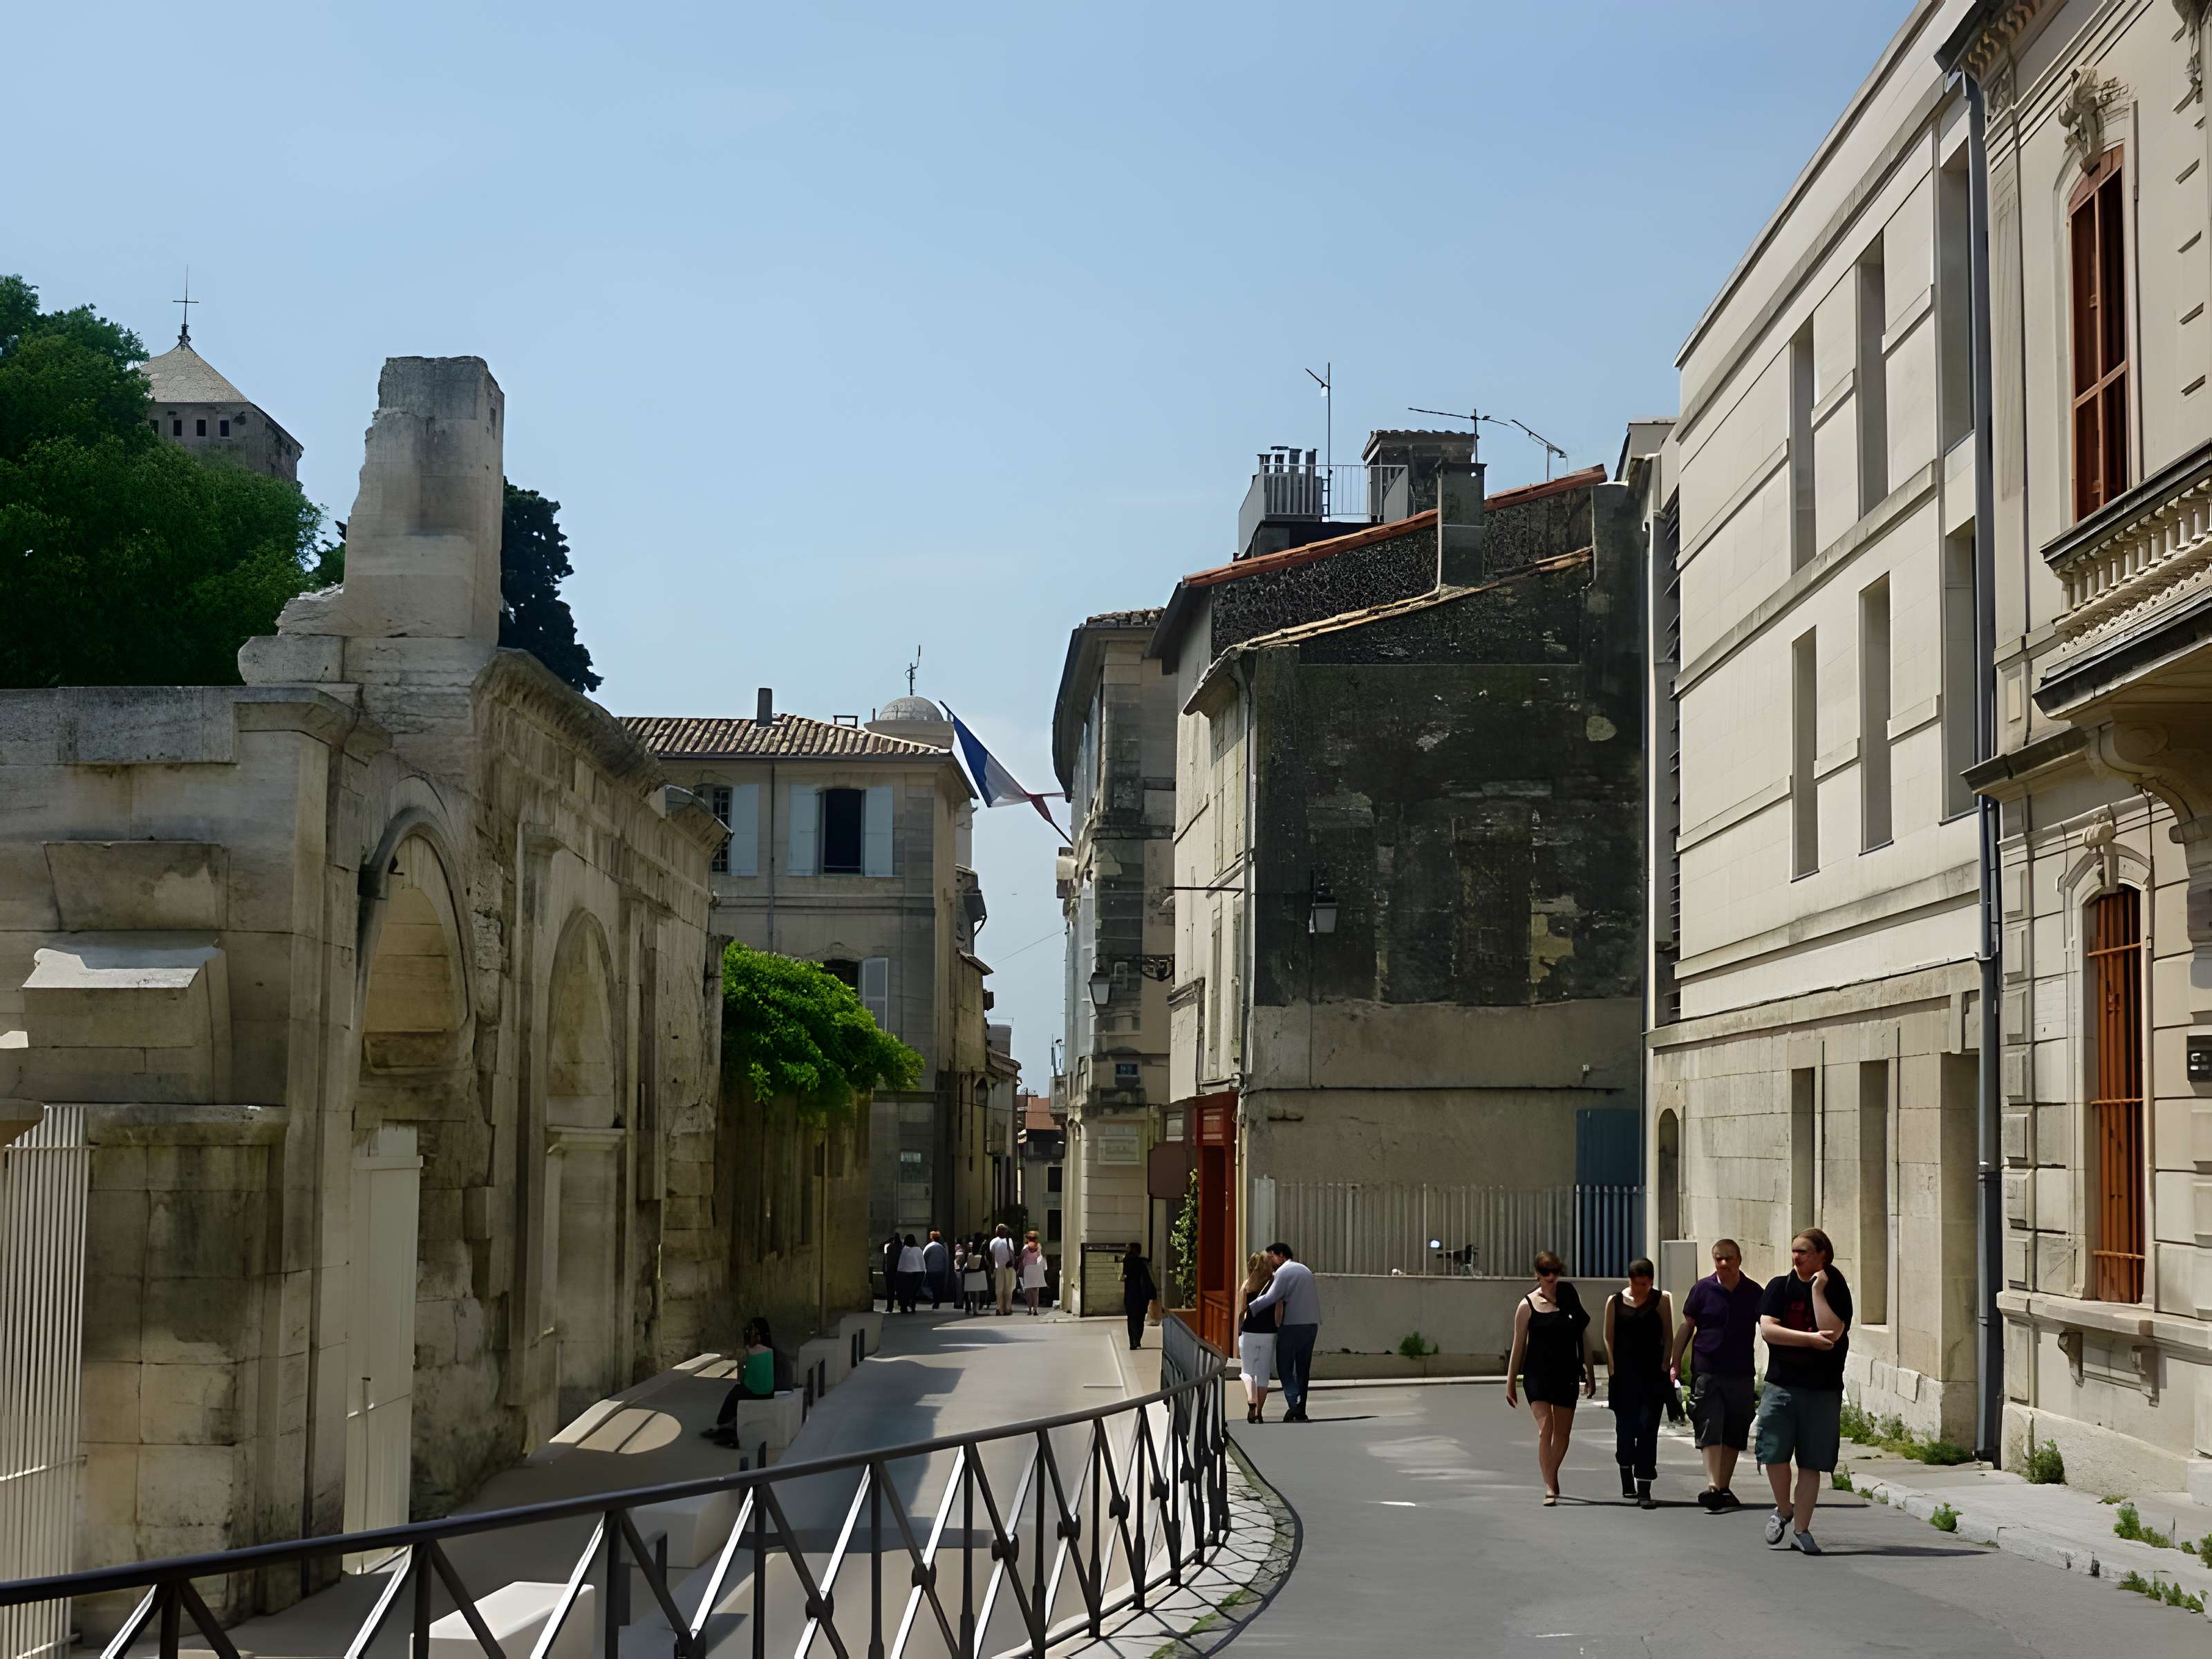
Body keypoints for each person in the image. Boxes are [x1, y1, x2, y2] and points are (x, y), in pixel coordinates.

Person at [1754, 1227, 1853, 1556]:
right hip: (1781, 1386)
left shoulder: (1835, 1288)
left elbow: (1833, 1332)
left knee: (1812, 1463)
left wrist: (1818, 1291)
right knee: (1773, 1454)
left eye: (1805, 1252)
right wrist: (1809, 1340)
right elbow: (1769, 1330)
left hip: (1822, 1391)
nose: (1796, 1257)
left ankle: (1801, 1530)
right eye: (1794, 1250)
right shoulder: (1778, 1287)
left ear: (1823, 1255)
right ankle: (1784, 1509)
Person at [1671, 1237, 1763, 1512]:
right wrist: (1675, 1362)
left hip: (1741, 1371)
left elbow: (1768, 1327)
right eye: (1718, 1258)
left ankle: (1722, 1487)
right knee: (1709, 1424)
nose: (1723, 1263)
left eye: (1729, 1258)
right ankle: (1713, 1485)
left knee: (1736, 1427)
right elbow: (1687, 1327)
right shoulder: (1702, 1290)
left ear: (1739, 1260)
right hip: (1707, 1369)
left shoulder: (1753, 1292)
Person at [1503, 1251, 1593, 1505]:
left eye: (1555, 1272)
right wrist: (1510, 1383)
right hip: (1537, 1375)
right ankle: (1549, 1486)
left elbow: (1583, 1334)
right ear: (1537, 1274)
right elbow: (1518, 1347)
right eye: (1546, 1272)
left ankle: (1551, 1474)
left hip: (1567, 1372)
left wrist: (1589, 1370)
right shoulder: (1527, 1306)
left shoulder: (1569, 1295)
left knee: (1563, 1433)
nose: (1551, 1277)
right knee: (1546, 1429)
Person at [1602, 1258, 1674, 1509]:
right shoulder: (1615, 1301)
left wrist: (1665, 1365)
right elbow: (1608, 1337)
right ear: (1630, 1280)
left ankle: (1644, 1486)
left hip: (1652, 1376)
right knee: (1625, 1430)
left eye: (1645, 1284)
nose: (1640, 1288)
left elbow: (1668, 1334)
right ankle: (1626, 1473)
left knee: (1647, 1430)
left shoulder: (1661, 1300)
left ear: (1651, 1281)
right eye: (1636, 1283)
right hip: (1624, 1376)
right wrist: (1612, 1368)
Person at [1242, 1242, 1321, 1422]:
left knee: (1285, 1367)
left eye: (1271, 1257)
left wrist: (1251, 1308)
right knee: (1303, 1368)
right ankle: (1301, 1408)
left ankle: (1294, 1405)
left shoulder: (1283, 1272)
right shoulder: (1305, 1270)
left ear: (1281, 1255)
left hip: (1292, 1325)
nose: (1270, 1261)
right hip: (1312, 1324)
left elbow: (1272, 1296)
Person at [706, 1317, 778, 1444]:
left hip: (757, 1392)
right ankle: (730, 1424)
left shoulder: (754, 1351)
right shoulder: (772, 1350)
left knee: (735, 1393)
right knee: (739, 1392)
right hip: (770, 1391)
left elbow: (748, 1380)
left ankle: (722, 1426)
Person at [1234, 1251, 1279, 1424]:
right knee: (1263, 1374)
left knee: (1247, 1372)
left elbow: (1242, 1310)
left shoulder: (1246, 1286)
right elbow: (1278, 1312)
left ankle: (1251, 1401)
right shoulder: (1274, 1285)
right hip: (1269, 1333)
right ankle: (1259, 1412)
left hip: (1250, 1332)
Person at [1120, 1241, 1157, 1350]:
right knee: (1140, 1319)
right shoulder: (1142, 1263)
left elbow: (1124, 1276)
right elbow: (1147, 1279)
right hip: (1141, 1295)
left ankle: (1132, 1341)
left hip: (1130, 1295)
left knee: (1131, 1319)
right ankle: (1137, 1340)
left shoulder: (1127, 1262)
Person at [989, 1224, 1017, 1315]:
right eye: (1002, 1230)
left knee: (1004, 1289)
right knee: (1004, 1289)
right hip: (1003, 1267)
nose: (1003, 1232)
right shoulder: (1004, 1241)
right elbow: (1012, 1253)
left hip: (1004, 1267)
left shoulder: (996, 1241)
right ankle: (1004, 1309)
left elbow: (992, 1255)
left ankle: (1003, 1309)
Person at [896, 1232, 925, 1315]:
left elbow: (902, 1263)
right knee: (914, 1291)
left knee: (905, 1290)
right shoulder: (919, 1250)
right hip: (918, 1272)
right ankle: (913, 1305)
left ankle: (904, 1306)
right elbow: (921, 1262)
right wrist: (923, 1271)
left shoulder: (904, 1250)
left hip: (905, 1273)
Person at [1020, 1231, 1047, 1313]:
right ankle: (1035, 1309)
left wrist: (1020, 1270)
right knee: (1036, 1291)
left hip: (1028, 1270)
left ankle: (1030, 1309)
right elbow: (1042, 1259)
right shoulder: (1039, 1247)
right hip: (1037, 1270)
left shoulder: (1025, 1248)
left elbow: (1022, 1260)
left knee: (1028, 1291)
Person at [962, 1235, 989, 1314]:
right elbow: (985, 1263)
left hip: (969, 1272)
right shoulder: (982, 1247)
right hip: (978, 1272)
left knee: (970, 1291)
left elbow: (965, 1259)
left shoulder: (970, 1248)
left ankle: (968, 1307)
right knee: (977, 1292)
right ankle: (975, 1309)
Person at [922, 1230, 949, 1310]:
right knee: (938, 1287)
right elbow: (945, 1260)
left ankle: (934, 1299)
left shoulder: (929, 1247)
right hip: (940, 1270)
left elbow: (924, 1257)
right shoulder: (942, 1248)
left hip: (931, 1270)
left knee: (930, 1286)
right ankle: (937, 1301)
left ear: (931, 1238)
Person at [880, 1232, 903, 1313]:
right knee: (901, 1290)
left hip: (890, 1271)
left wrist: (884, 1270)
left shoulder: (889, 1247)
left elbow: (885, 1260)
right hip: (900, 1271)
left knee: (890, 1291)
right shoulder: (902, 1248)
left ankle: (889, 1308)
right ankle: (902, 1306)